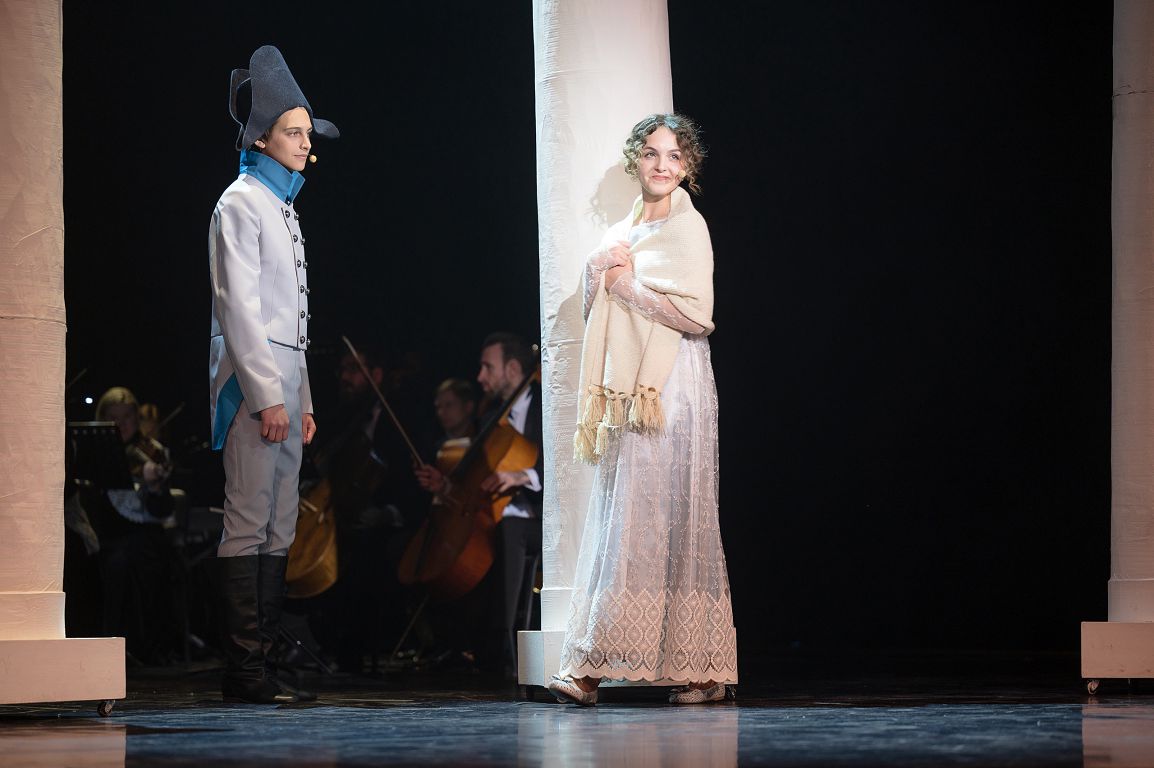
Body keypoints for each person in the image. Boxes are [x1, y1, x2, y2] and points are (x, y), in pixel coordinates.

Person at [548, 114, 738, 706]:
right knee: (624, 512)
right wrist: (598, 270)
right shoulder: (623, 231)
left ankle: (700, 668)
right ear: (636, 159)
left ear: (688, 167)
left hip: (674, 384)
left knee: (678, 511)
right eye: (652, 153)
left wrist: (626, 285)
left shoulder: (689, 227)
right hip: (630, 388)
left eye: (674, 156)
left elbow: (697, 318)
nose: (662, 165)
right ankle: (591, 663)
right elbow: (595, 313)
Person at [207, 45, 338, 703]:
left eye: (307, 133)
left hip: (285, 381)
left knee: (280, 524)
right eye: (293, 132)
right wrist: (266, 396)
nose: (304, 142)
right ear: (261, 136)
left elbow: (296, 323)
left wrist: (302, 398)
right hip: (251, 383)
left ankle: (263, 664)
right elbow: (240, 308)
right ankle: (243, 671)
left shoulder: (283, 206)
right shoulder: (239, 202)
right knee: (248, 518)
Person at [415, 333, 542, 679]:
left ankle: (505, 647)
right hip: (497, 519)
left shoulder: (548, 404)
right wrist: (445, 486)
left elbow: (565, 463)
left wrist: (525, 475)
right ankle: (472, 646)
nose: (480, 376)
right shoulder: (490, 419)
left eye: (488, 367)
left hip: (541, 519)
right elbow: (474, 485)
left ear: (513, 368)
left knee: (508, 529)